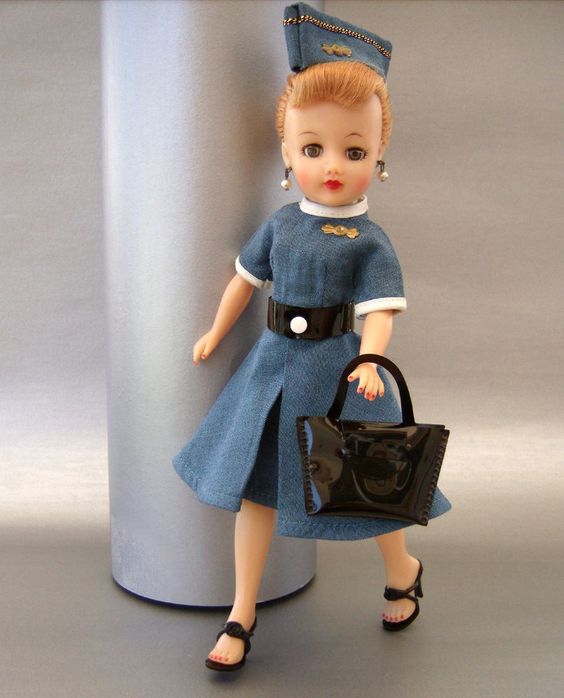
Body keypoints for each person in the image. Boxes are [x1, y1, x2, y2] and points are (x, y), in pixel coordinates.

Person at [172, 2, 451, 672]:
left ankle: (403, 567)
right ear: (287, 151)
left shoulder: (368, 240)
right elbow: (244, 281)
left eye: (354, 151)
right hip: (272, 371)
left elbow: (380, 310)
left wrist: (373, 358)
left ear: (379, 155)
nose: (333, 166)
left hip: (338, 372)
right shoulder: (281, 224)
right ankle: (241, 613)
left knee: (370, 488)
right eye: (312, 148)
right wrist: (215, 332)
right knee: (257, 490)